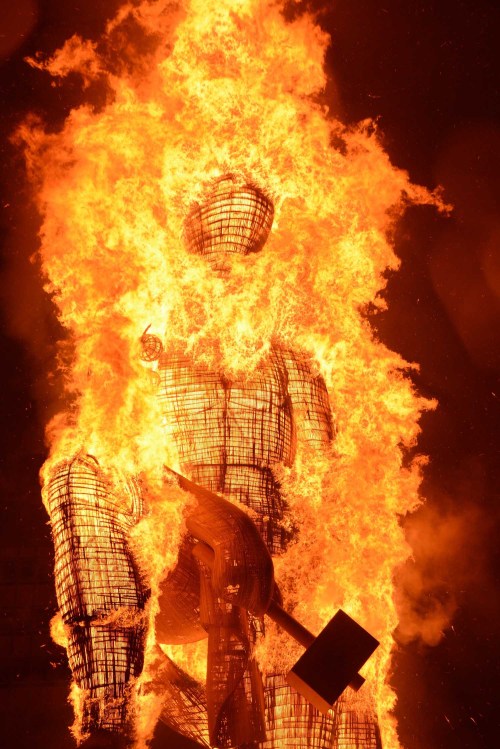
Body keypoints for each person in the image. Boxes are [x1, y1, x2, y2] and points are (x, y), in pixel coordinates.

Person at [46, 174, 380, 748]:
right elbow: (119, 457)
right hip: (178, 564)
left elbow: (333, 498)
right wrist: (216, 520)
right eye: (215, 252)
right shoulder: (144, 362)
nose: (227, 269)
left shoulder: (295, 367)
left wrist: (302, 579)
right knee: (77, 472)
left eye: (242, 253)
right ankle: (109, 718)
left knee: (339, 712)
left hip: (278, 594)